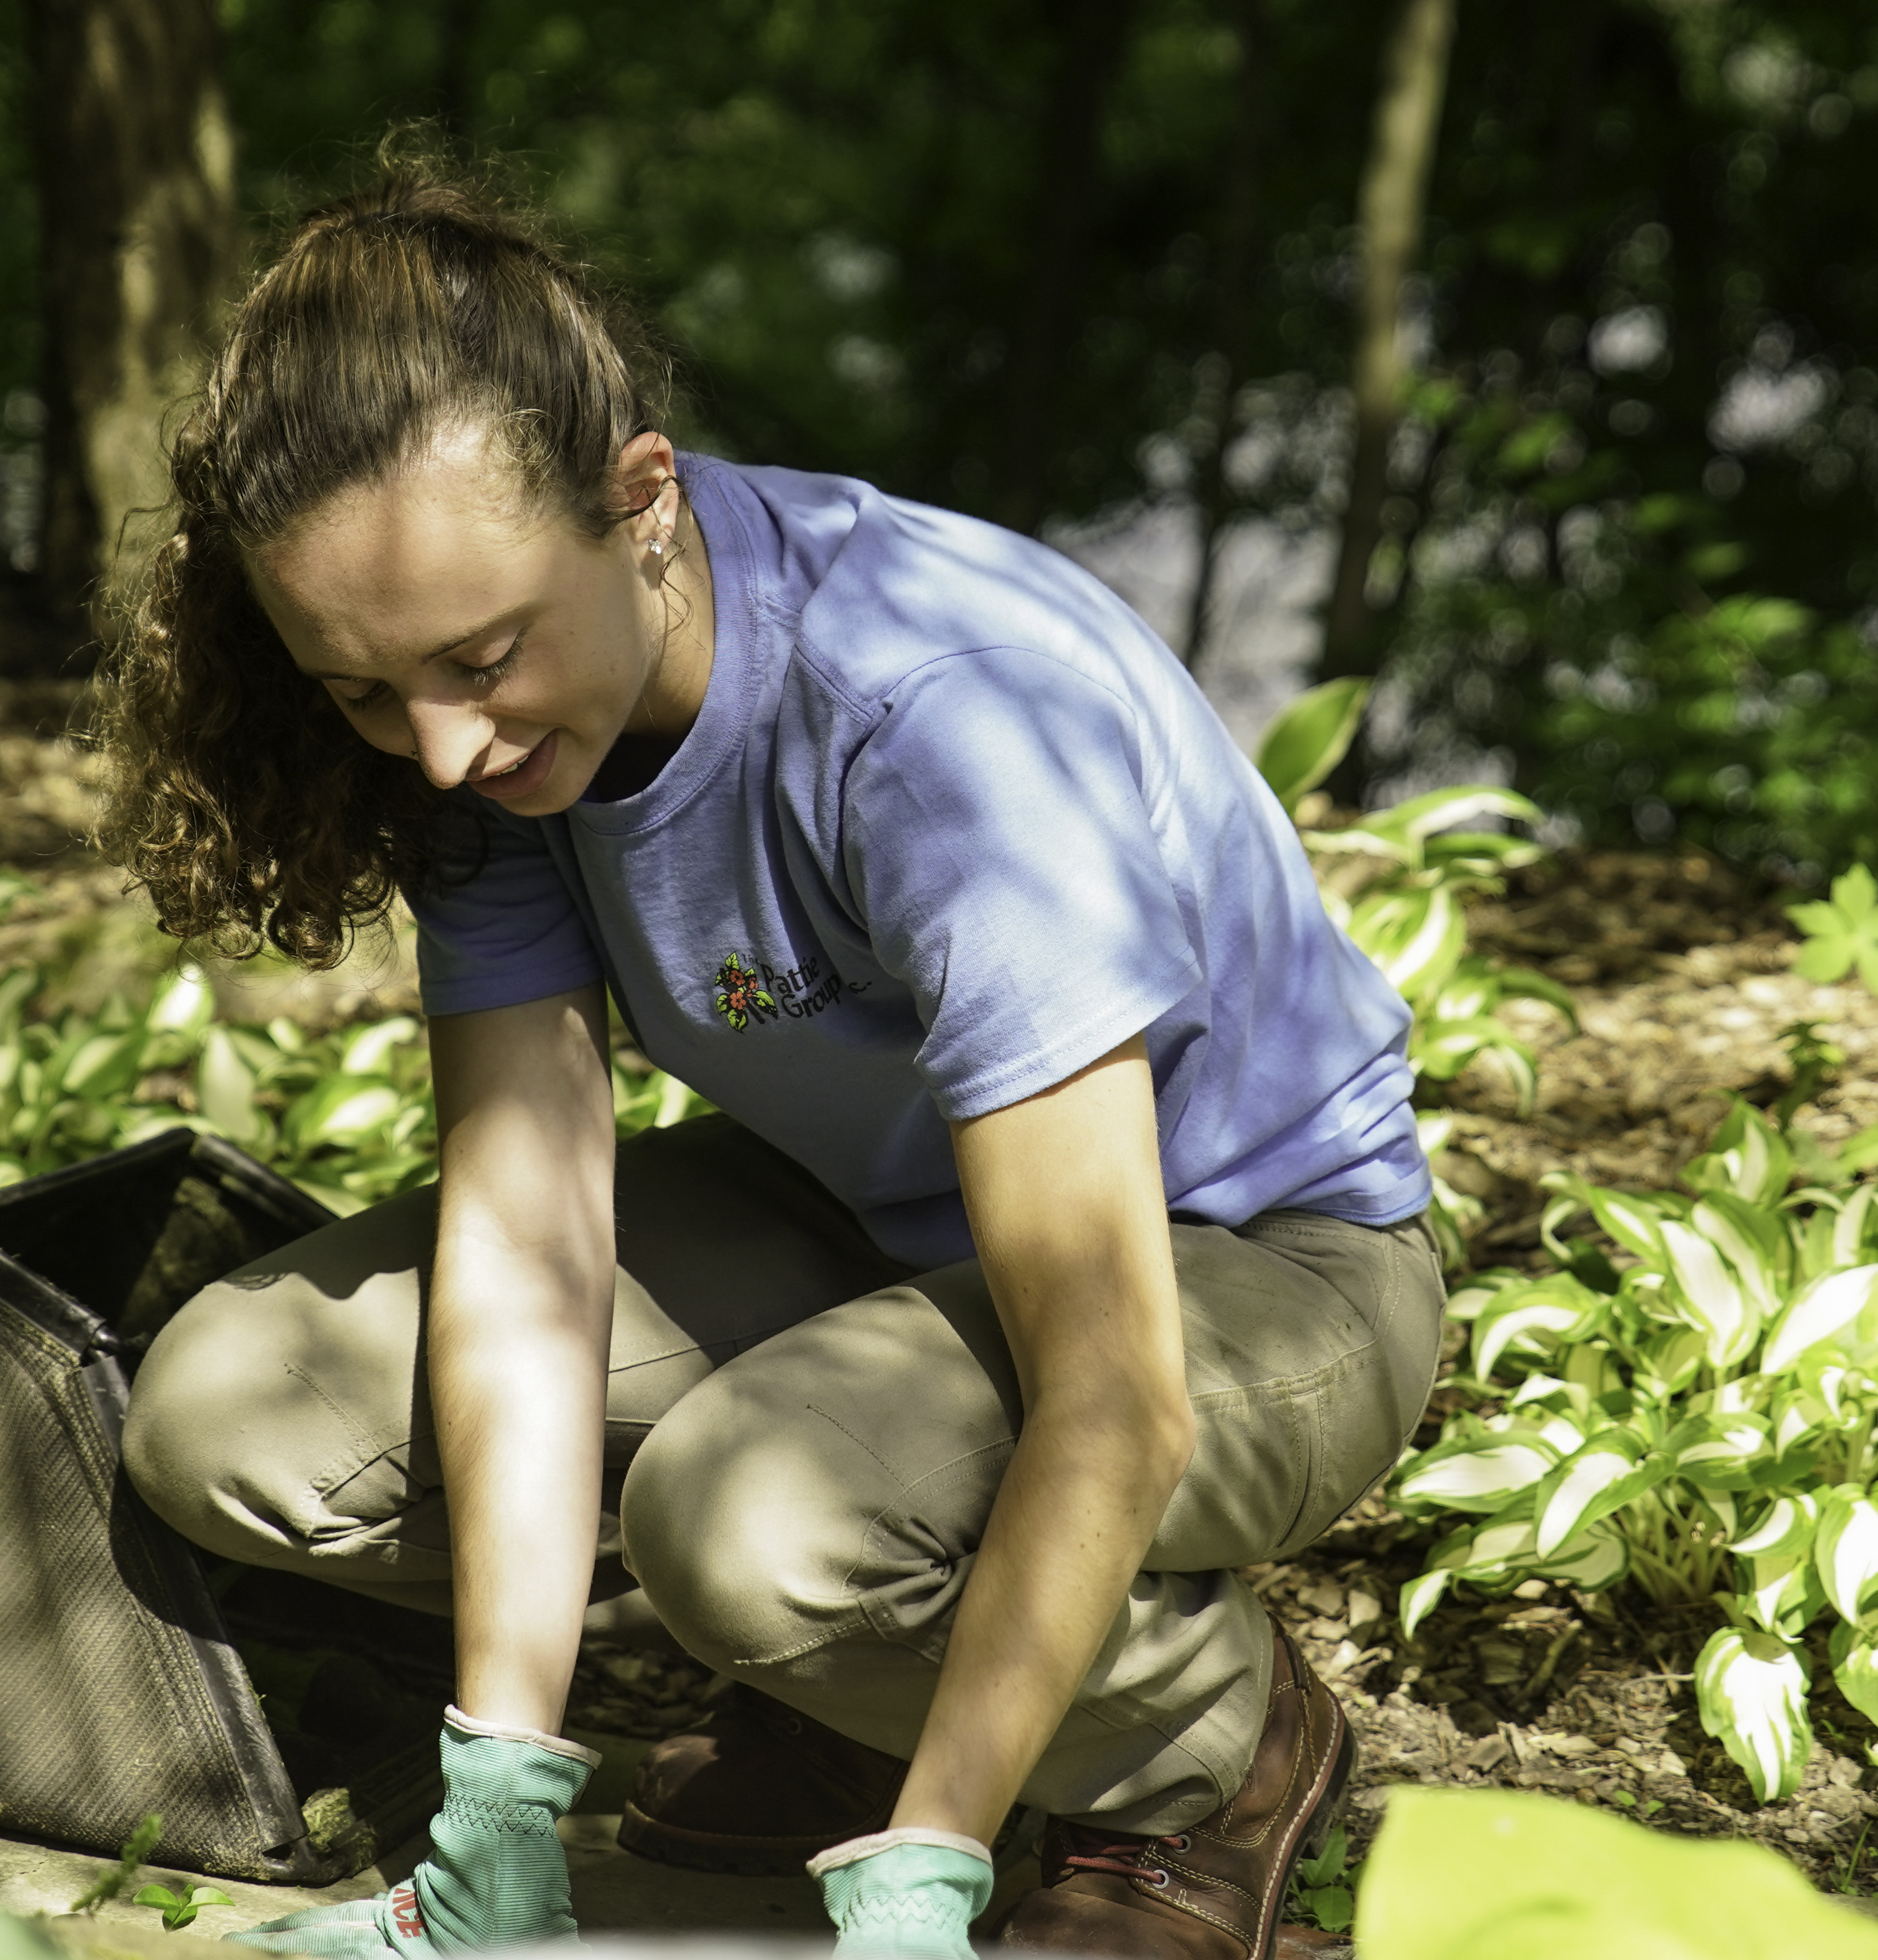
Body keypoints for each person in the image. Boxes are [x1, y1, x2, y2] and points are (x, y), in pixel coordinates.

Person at [98, 154, 1441, 1960]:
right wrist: (500, 1797)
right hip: (882, 1226)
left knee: (758, 1527)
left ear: (641, 504)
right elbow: (526, 1244)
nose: (434, 753)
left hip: (1255, 1267)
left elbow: (1110, 1379)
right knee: (242, 1411)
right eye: (361, 691)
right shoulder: (491, 732)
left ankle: (1207, 1752)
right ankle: (846, 1687)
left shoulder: (936, 720)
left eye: (478, 660)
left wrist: (935, 1864)